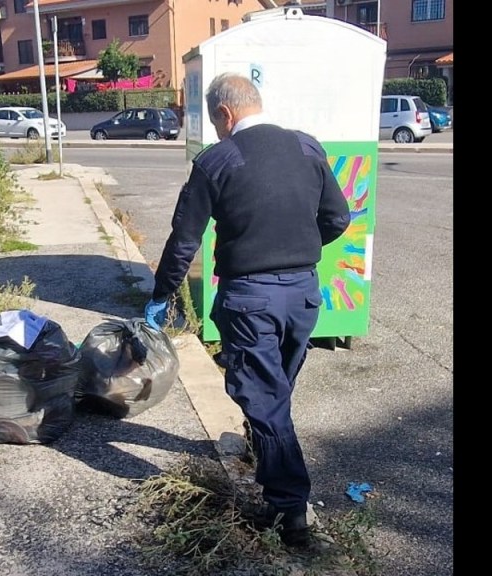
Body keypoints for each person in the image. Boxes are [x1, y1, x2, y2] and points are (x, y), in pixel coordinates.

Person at [143, 72, 351, 548]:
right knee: (275, 389)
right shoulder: (307, 147)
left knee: (266, 399)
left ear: (225, 114)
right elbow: (338, 218)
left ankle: (290, 511)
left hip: (249, 299)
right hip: (302, 296)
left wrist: (161, 295)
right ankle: (266, 446)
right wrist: (296, 249)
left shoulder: (216, 161)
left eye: (217, 122)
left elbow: (184, 242)